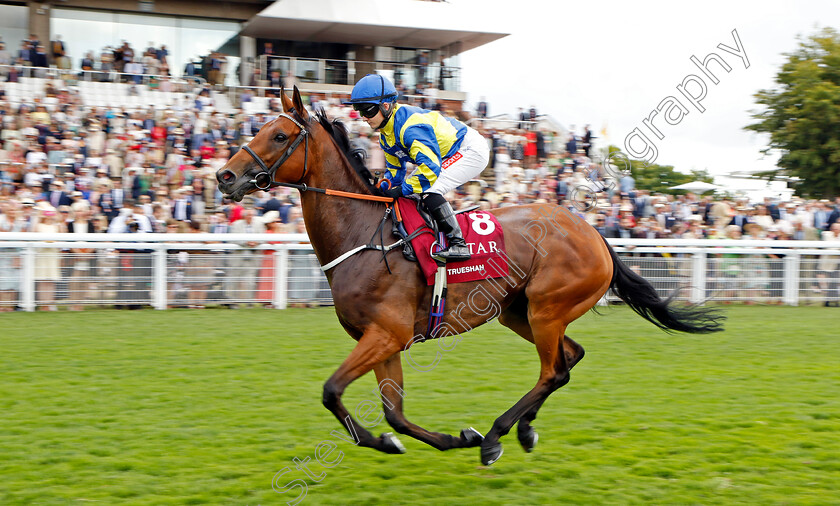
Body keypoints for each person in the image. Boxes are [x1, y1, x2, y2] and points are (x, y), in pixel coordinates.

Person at [344, 74, 489, 262]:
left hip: (469, 148)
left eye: (367, 111)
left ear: (386, 106)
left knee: (428, 188)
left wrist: (401, 189)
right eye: (359, 110)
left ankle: (458, 244)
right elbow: (395, 173)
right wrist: (382, 190)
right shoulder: (385, 136)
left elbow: (430, 168)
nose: (363, 117)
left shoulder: (409, 127)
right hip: (447, 153)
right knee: (412, 191)